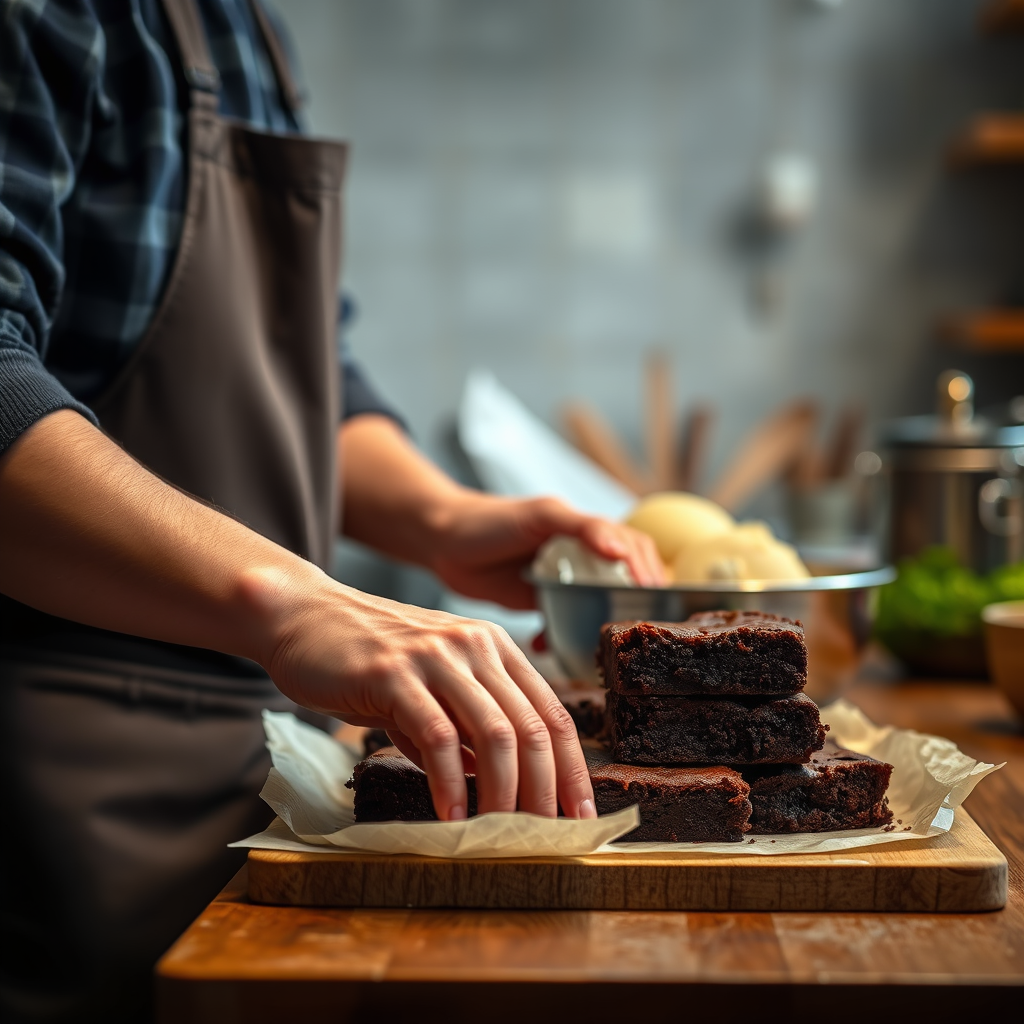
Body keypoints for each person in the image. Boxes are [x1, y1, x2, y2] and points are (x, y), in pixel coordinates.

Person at [0, 2, 663, 1020]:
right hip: (56, 796)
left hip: (258, 761)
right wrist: (298, 605)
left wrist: (441, 519)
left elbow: (305, 372)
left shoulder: (248, 29)